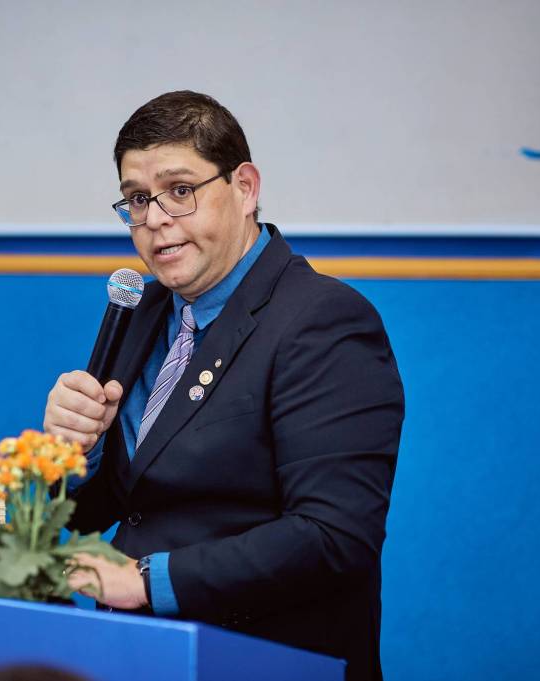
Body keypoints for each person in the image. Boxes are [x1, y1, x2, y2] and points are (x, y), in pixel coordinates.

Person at [43, 91, 404, 681]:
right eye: (138, 199)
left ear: (245, 188)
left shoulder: (325, 320)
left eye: (180, 190)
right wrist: (76, 453)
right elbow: (120, 504)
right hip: (142, 656)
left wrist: (146, 581)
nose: (155, 219)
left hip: (264, 659)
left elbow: (334, 537)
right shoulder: (143, 311)